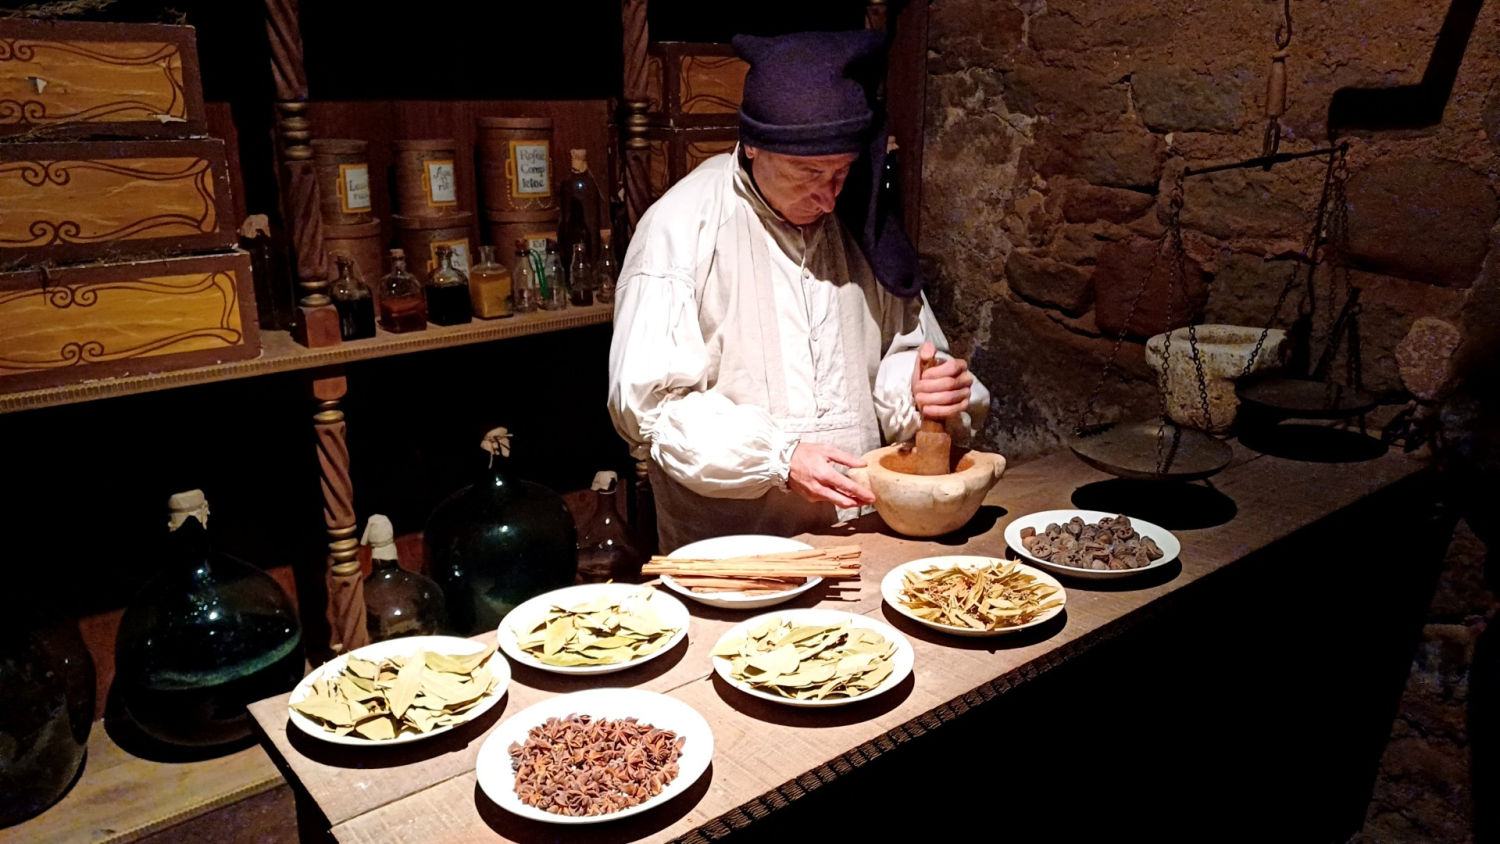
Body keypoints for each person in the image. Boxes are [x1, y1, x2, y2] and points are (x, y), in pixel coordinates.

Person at [608, 29, 990, 551]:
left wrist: (921, 391)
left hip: (861, 538)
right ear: (755, 145)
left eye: (841, 172)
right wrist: (778, 457)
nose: (829, 198)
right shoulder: (682, 226)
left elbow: (899, 351)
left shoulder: (860, 219)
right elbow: (653, 410)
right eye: (809, 173)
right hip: (735, 552)